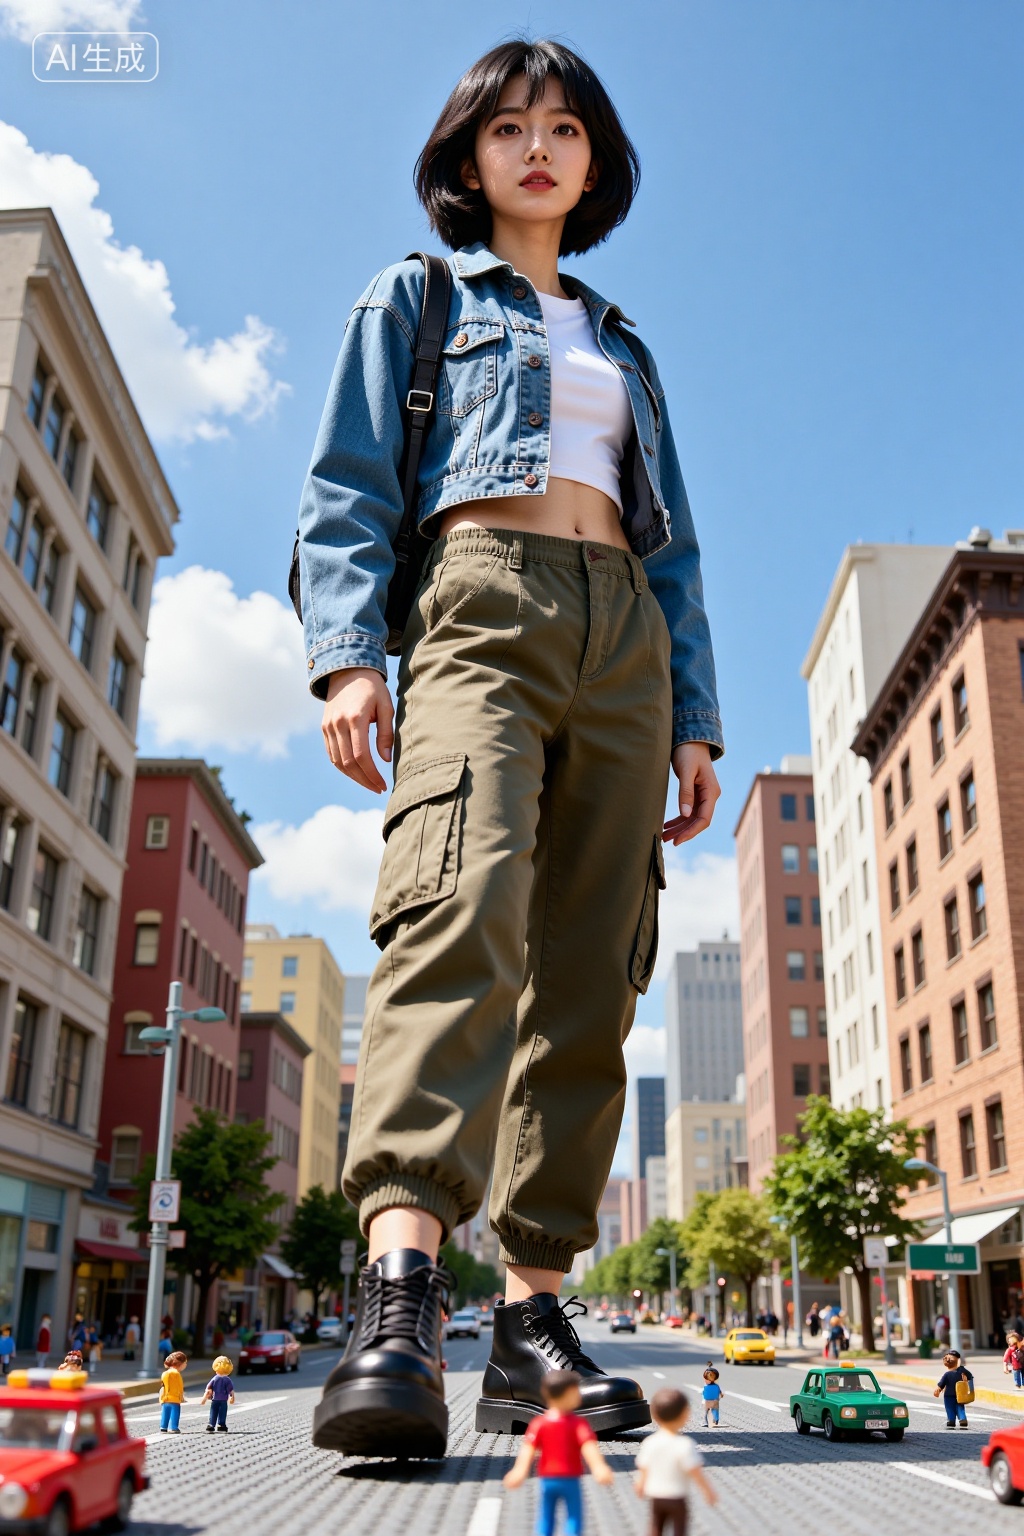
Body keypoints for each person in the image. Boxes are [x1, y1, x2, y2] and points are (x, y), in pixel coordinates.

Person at [301, 35, 723, 1464]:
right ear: (467, 156)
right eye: (511, 127)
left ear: (594, 161)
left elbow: (677, 555)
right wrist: (349, 654)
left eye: (566, 129)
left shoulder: (625, 343)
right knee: (456, 909)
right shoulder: (416, 298)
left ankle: (532, 1317)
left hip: (627, 653)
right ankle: (404, 1291)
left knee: (596, 968)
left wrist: (695, 720)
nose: (539, 148)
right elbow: (350, 483)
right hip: (479, 606)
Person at [503, 1370, 614, 1535]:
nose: (579, 1396)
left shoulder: (539, 1423)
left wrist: (520, 1470)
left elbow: (529, 1448)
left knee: (546, 1516)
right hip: (570, 1479)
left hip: (548, 1479)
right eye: (577, 1392)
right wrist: (599, 1467)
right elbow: (588, 1446)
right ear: (568, 1393)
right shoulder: (578, 1424)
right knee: (574, 1516)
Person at [634, 1387, 717, 1536]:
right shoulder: (685, 1444)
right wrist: (707, 1490)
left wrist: (639, 1486)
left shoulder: (650, 1442)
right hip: (677, 1497)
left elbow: (644, 1468)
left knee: (655, 1527)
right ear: (685, 1415)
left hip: (656, 1496)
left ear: (654, 1415)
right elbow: (695, 1471)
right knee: (680, 1529)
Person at [933, 1349, 973, 1428]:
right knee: (960, 1407)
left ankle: (951, 1420)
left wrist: (938, 1389)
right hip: (960, 1394)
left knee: (949, 1408)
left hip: (948, 1395)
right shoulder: (962, 1371)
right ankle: (962, 1419)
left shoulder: (947, 1374)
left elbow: (941, 1384)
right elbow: (970, 1376)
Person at [202, 1355, 236, 1433]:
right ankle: (221, 1425)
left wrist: (206, 1395)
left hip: (215, 1399)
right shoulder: (227, 1380)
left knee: (214, 1412)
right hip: (223, 1399)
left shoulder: (215, 1378)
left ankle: (211, 1424)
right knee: (222, 1412)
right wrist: (232, 1397)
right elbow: (231, 1390)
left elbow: (208, 1387)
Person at [159, 1350, 188, 1434]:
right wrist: (181, 1397)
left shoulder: (164, 1373)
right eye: (185, 1363)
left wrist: (161, 1398)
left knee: (165, 1413)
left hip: (165, 1398)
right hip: (174, 1398)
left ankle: (163, 1427)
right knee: (175, 1414)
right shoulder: (177, 1374)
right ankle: (174, 1427)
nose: (186, 1365)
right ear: (180, 1363)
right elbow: (180, 1387)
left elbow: (163, 1387)